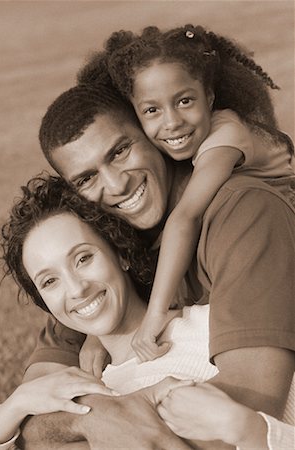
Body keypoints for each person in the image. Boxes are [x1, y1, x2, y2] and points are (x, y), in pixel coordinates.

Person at [0, 174, 294, 449]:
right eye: (50, 281)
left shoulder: (214, 328)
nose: (76, 289)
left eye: (83, 259)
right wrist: (15, 404)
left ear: (120, 255)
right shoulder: (85, 390)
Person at [84, 24, 295, 360]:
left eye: (184, 101)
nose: (172, 123)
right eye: (152, 110)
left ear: (209, 97)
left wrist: (154, 316)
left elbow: (185, 217)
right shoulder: (172, 150)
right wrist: (98, 337)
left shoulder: (225, 135)